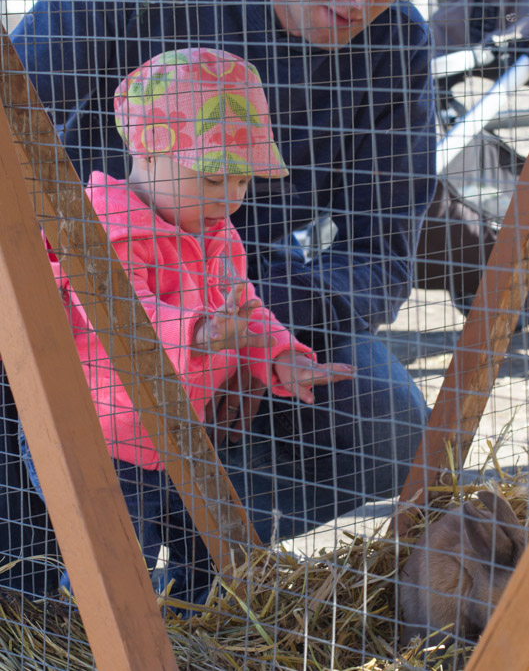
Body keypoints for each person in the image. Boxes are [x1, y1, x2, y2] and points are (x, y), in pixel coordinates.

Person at [10, 0, 454, 595]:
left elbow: (381, 259)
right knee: (34, 566)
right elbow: (11, 136)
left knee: (392, 426)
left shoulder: (398, 51)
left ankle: (199, 567)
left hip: (248, 293)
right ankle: (72, 548)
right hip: (80, 290)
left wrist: (251, 333)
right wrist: (65, 314)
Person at [21, 46, 354, 603]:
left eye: (242, 181)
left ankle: (195, 628)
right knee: (113, 564)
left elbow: (245, 308)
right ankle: (94, 635)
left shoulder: (216, 233)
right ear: (148, 154)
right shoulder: (104, 230)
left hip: (180, 431)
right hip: (100, 440)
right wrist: (199, 333)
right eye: (214, 178)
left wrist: (280, 356)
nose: (232, 198)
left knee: (206, 552)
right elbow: (123, 314)